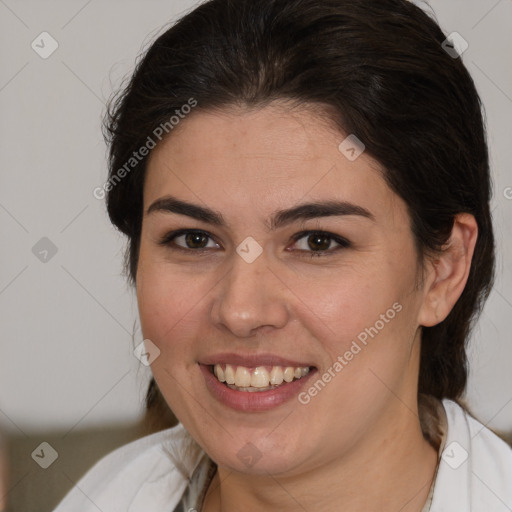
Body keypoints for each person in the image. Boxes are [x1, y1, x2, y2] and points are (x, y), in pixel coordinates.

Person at [54, 0, 512, 510]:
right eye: (195, 239)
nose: (241, 311)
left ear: (443, 271)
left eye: (318, 242)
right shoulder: (107, 495)